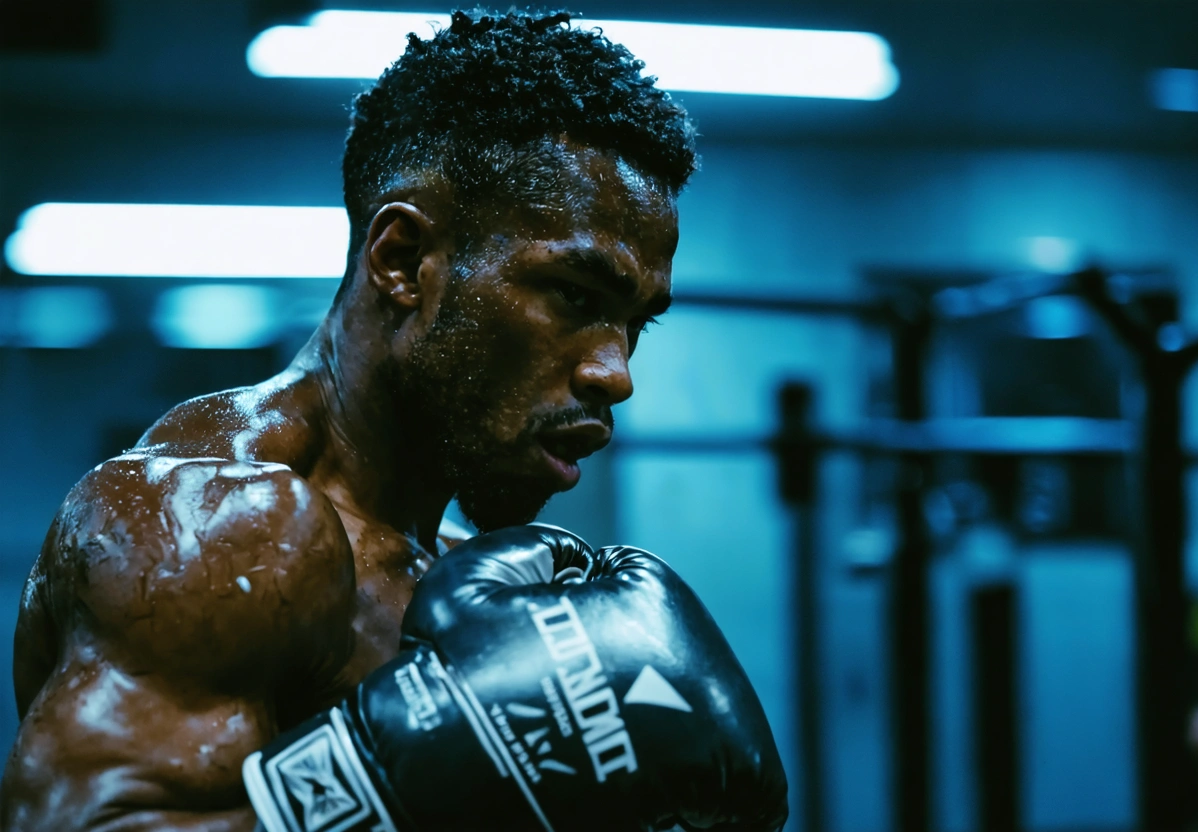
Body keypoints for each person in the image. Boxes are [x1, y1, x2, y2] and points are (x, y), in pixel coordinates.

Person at [0, 10, 787, 830]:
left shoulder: (468, 579)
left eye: (635, 324)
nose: (614, 373)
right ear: (404, 262)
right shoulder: (224, 528)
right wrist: (392, 781)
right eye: (574, 297)